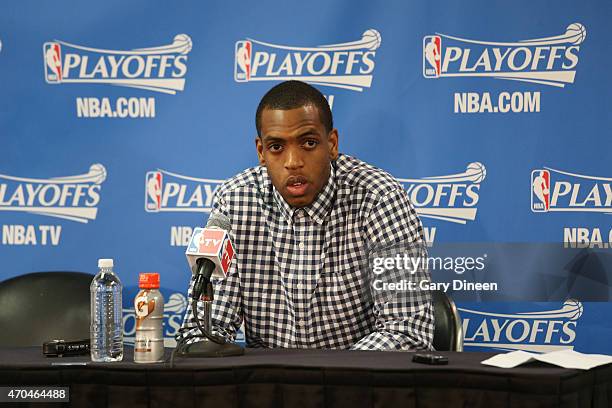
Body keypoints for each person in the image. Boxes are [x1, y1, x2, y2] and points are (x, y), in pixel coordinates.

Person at [177, 80, 433, 350]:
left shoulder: (379, 199)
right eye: (277, 147)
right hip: (268, 387)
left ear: (332, 144)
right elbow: (207, 328)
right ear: (261, 152)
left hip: (356, 385)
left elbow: (407, 329)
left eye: (308, 143)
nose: (293, 162)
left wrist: (327, 381)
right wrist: (203, 341)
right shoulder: (235, 202)